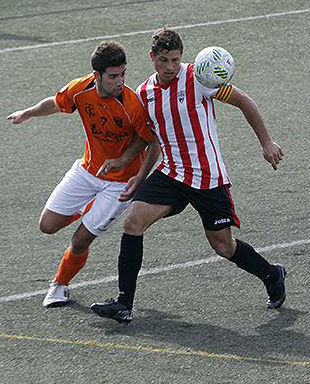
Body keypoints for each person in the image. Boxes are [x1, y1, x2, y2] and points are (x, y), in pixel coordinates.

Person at [91, 28, 286, 324]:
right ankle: (124, 303)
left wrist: (266, 143)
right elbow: (148, 138)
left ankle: (272, 273)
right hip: (171, 173)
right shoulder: (145, 93)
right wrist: (134, 169)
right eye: (164, 60)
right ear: (152, 58)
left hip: (208, 177)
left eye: (175, 60)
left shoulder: (200, 78)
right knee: (133, 221)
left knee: (223, 246)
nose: (170, 67)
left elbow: (244, 101)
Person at [7, 41, 160, 308]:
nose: (120, 81)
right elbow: (55, 104)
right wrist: (28, 113)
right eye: (113, 76)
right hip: (87, 171)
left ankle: (59, 286)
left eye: (123, 74)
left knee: (80, 239)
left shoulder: (131, 103)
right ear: (96, 75)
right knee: (47, 225)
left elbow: (149, 139)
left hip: (120, 184)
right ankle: (90, 206)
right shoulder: (81, 89)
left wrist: (126, 161)